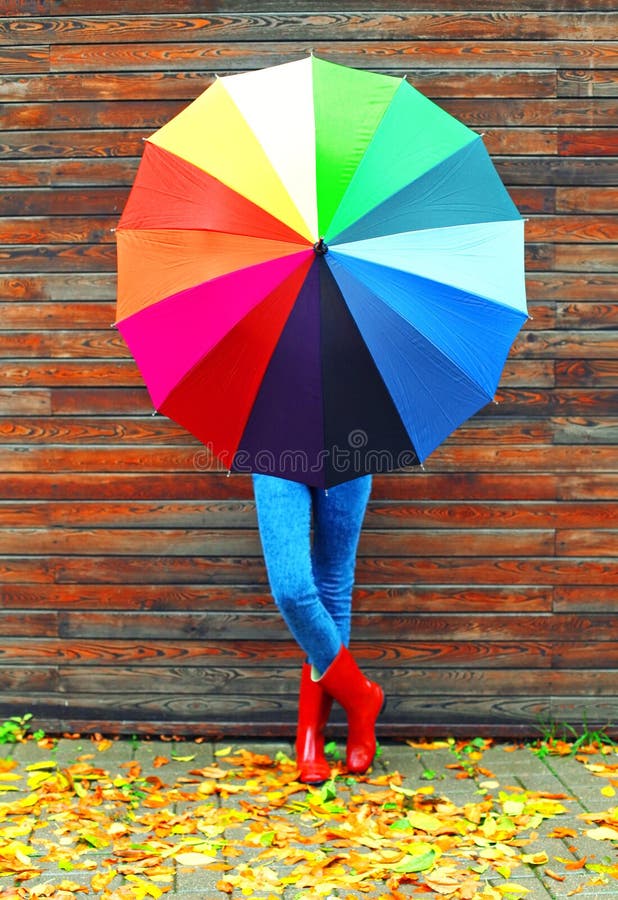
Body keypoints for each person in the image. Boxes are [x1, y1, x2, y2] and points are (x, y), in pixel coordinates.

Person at [252, 472, 384, 783]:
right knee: (292, 591)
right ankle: (361, 697)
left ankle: (312, 736)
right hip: (275, 447)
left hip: (350, 443)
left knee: (334, 585)